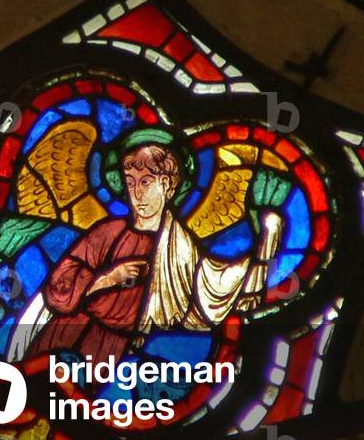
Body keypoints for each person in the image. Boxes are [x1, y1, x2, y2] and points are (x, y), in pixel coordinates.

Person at [27, 132, 284, 367]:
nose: (136, 192)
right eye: (130, 182)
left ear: (168, 187)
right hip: (65, 333)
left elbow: (212, 288)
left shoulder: (178, 246)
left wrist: (264, 246)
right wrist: (107, 279)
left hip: (114, 350)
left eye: (146, 182)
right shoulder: (107, 232)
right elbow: (59, 287)